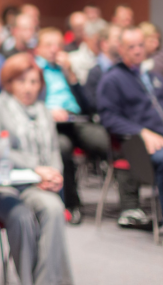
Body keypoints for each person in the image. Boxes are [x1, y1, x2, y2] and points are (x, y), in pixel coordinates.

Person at [0, 53, 73, 285]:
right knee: (22, 217)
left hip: (33, 185)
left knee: (54, 208)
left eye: (34, 82)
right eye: (21, 81)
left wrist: (54, 175)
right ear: (9, 82)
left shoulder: (44, 111)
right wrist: (37, 168)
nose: (28, 88)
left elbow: (55, 150)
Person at [97, 26, 163, 253]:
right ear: (121, 50)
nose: (137, 51)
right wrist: (141, 132)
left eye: (140, 45)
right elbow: (109, 118)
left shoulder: (155, 77)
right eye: (131, 47)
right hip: (141, 146)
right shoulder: (112, 80)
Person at [35, 28, 110, 223]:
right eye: (48, 45)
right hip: (50, 123)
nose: (54, 49)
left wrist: (71, 75)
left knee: (105, 141)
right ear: (38, 48)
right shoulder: (34, 69)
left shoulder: (66, 68)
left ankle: (131, 204)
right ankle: (70, 204)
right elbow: (28, 103)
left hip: (75, 119)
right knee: (62, 149)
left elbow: (87, 104)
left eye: (58, 45)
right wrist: (47, 112)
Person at [83, 25, 122, 113]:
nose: (121, 42)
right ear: (104, 44)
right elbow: (94, 105)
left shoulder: (126, 69)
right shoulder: (95, 72)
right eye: (117, 39)